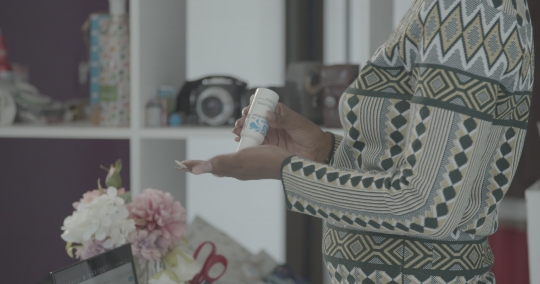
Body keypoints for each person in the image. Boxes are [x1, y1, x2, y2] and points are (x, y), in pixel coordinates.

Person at [180, 0, 534, 282]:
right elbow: (406, 169)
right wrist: (323, 150)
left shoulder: (467, 12)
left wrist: (288, 173)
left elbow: (428, 205)